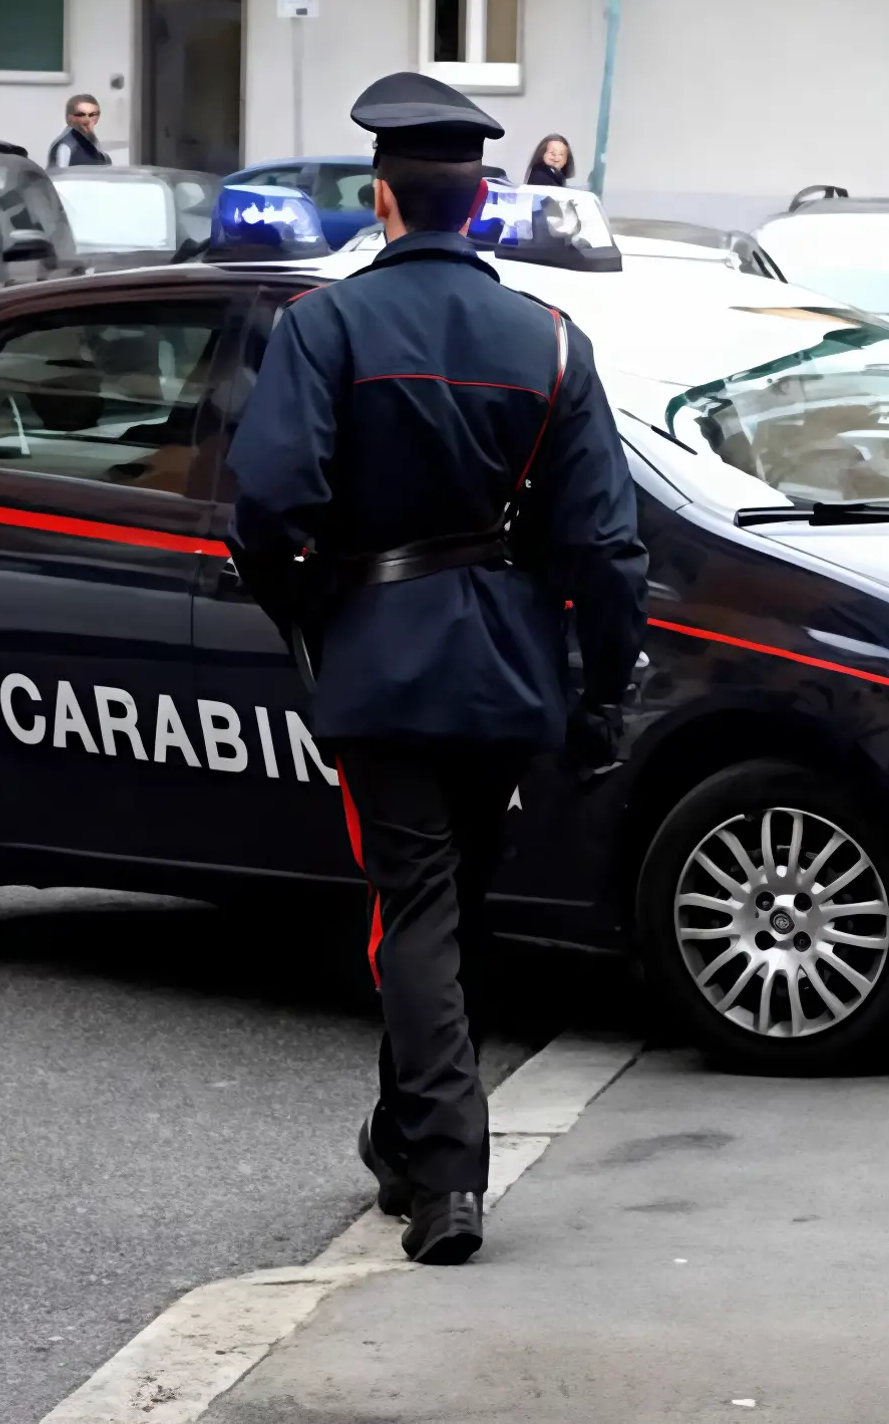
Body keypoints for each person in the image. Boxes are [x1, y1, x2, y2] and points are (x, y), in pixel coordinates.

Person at [226, 72, 648, 1265]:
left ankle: (451, 1172)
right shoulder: (553, 344)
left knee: (414, 909)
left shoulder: (327, 326)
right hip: (507, 669)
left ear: (385, 199)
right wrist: (604, 689)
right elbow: (607, 546)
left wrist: (308, 610)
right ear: (479, 205)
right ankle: (406, 1143)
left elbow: (267, 505)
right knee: (452, 908)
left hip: (380, 657)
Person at [48, 94, 111, 170]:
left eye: (92, 114)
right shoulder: (65, 146)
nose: (87, 120)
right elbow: (59, 178)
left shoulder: (92, 141)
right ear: (70, 118)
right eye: (81, 114)